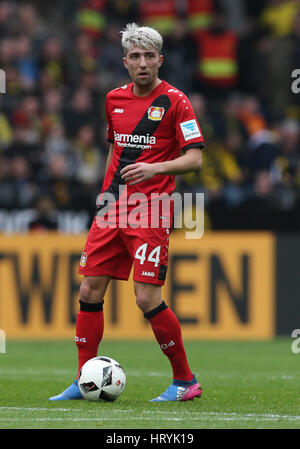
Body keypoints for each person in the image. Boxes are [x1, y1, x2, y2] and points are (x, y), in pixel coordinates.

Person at [49, 23, 204, 402]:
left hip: (151, 210)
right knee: (88, 288)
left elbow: (195, 158)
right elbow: (114, 151)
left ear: (160, 60)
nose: (143, 63)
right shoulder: (113, 100)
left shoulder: (176, 101)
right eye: (135, 57)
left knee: (146, 299)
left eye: (150, 56)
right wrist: (105, 194)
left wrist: (155, 169)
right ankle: (83, 377)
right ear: (125, 62)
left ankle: (185, 381)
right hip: (112, 209)